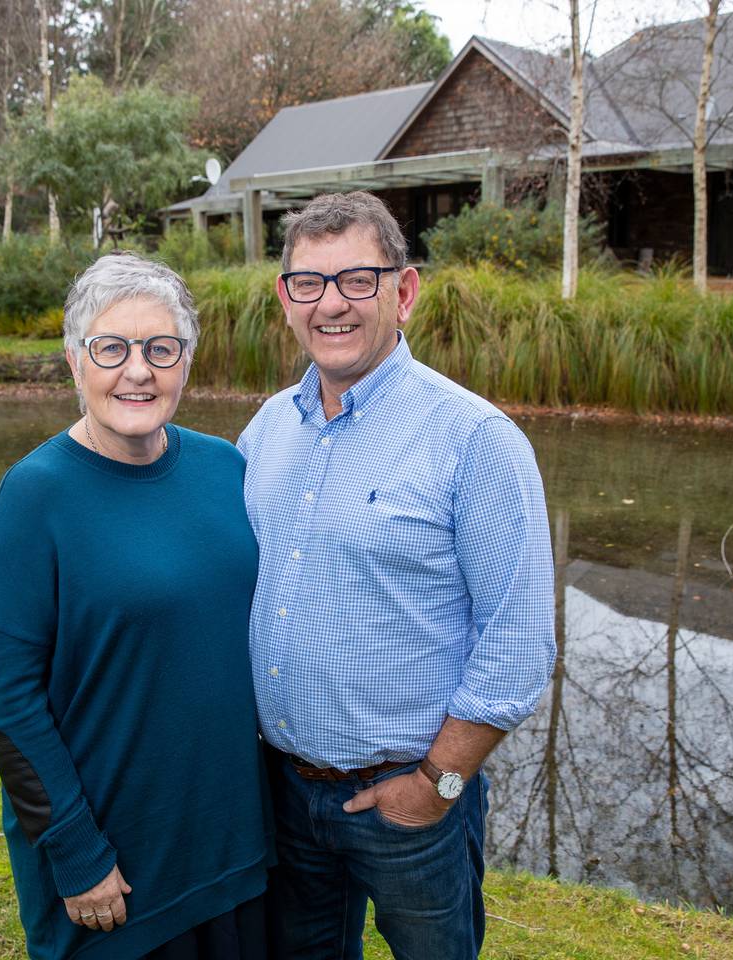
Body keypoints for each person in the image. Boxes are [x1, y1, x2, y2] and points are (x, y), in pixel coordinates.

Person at [237, 191, 556, 959]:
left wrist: (437, 785)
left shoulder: (475, 440)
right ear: (286, 299)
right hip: (283, 790)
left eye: (357, 279)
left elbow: (517, 644)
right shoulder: (266, 430)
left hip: (409, 802)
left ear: (403, 291)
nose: (331, 305)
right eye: (308, 284)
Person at [0, 252, 274, 960]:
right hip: (117, 863)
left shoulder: (224, 468)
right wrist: (75, 851)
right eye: (112, 348)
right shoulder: (35, 496)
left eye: (161, 348)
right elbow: (9, 701)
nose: (139, 370)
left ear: (186, 362)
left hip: (232, 841)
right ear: (76, 363)